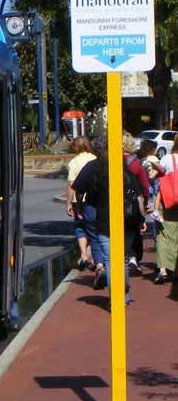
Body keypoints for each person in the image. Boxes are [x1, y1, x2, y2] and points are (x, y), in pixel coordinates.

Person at [73, 136, 133, 306]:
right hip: (124, 220)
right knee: (122, 259)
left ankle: (116, 296)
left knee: (110, 260)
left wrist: (80, 208)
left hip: (103, 219)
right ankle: (124, 292)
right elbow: (137, 191)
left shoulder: (93, 168)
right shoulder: (123, 167)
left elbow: (78, 189)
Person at [66, 136, 96, 270]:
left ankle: (84, 254)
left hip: (77, 199)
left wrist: (68, 202)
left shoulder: (73, 162)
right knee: (94, 226)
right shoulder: (94, 159)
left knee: (80, 227)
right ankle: (95, 257)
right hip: (92, 198)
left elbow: (71, 184)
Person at [123, 131, 150, 274]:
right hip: (132, 203)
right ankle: (133, 257)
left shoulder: (111, 161)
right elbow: (145, 187)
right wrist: (145, 205)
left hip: (113, 203)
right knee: (133, 230)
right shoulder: (136, 164)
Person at [153, 134, 178, 284]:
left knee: (163, 234)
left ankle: (163, 269)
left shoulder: (168, 159)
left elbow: (154, 176)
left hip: (167, 199)